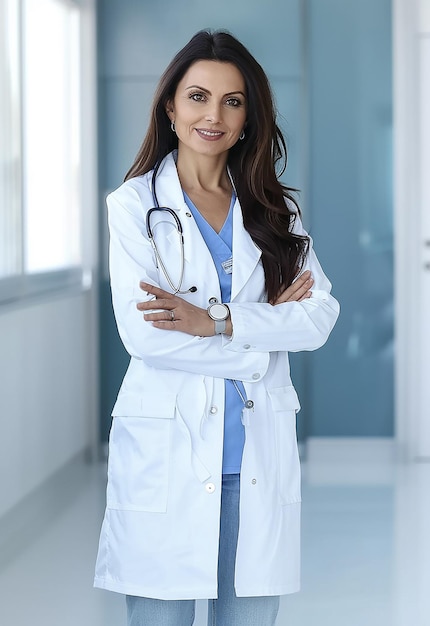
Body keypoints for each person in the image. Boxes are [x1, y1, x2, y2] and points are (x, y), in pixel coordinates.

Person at [94, 29, 339, 626]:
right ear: (170, 107)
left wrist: (217, 322)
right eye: (198, 96)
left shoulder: (275, 210)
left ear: (250, 115)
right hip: (168, 453)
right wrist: (261, 338)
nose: (214, 115)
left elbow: (318, 318)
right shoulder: (133, 207)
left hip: (255, 454)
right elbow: (146, 338)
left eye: (233, 101)